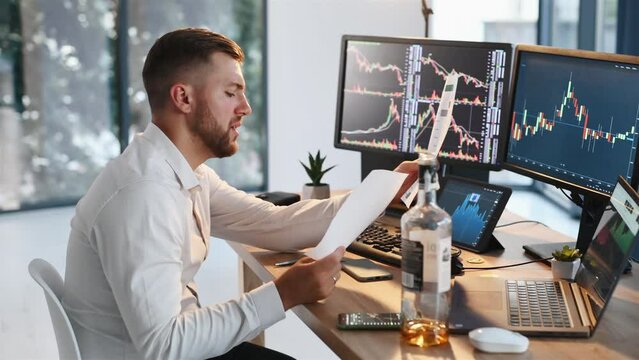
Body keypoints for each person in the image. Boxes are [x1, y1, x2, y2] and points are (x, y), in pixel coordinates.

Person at [63, 28, 417, 359]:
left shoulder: (184, 171)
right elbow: (165, 346)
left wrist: (384, 191)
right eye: (231, 93)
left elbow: (274, 224)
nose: (245, 107)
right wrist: (284, 293)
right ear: (183, 97)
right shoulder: (143, 194)